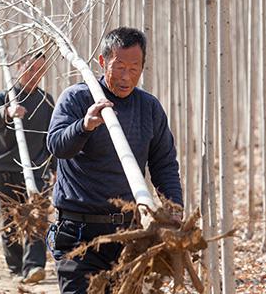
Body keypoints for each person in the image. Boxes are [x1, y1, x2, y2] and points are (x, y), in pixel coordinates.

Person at [46, 27, 183, 293]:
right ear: (102, 61)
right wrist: (84, 126)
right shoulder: (77, 98)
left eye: (134, 69)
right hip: (78, 234)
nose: (126, 77)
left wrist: (174, 208)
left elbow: (164, 164)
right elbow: (56, 145)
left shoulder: (149, 107)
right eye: (119, 67)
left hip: (129, 236)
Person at [0, 52, 56, 284]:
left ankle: (34, 266)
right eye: (30, 68)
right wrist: (8, 112)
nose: (34, 74)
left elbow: (52, 138)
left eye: (40, 70)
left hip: (37, 171)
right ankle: (17, 267)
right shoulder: (6, 96)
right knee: (10, 222)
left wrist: (55, 167)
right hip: (4, 170)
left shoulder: (46, 101)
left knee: (37, 218)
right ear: (18, 67)